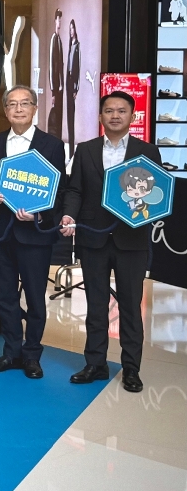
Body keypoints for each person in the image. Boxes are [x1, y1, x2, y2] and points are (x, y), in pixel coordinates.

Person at [60, 91, 163, 393]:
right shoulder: (86, 150)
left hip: (131, 239)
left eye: (121, 111)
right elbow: (75, 189)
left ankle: (131, 368)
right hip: (93, 236)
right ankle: (95, 363)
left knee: (131, 306)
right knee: (95, 305)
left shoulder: (148, 151)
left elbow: (156, 193)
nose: (115, 115)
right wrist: (68, 215)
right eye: (109, 110)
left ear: (132, 116)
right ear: (100, 116)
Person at [0, 85, 66, 379]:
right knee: (4, 295)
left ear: (34, 108)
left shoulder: (52, 145)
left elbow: (59, 190)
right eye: (12, 104)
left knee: (35, 297)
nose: (18, 109)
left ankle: (32, 355)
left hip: (35, 233)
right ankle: (11, 352)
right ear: (5, 111)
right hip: (2, 231)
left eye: (24, 103)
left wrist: (40, 213)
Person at [47, 9, 64, 140]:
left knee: (59, 116)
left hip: (60, 87)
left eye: (60, 20)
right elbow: (52, 65)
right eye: (58, 20)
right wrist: (53, 90)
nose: (60, 22)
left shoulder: (59, 39)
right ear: (55, 21)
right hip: (56, 87)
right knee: (55, 117)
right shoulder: (54, 39)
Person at [65, 19, 81, 156]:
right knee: (68, 115)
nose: (71, 31)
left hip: (73, 84)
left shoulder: (77, 46)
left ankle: (72, 152)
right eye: (69, 29)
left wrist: (76, 88)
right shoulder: (70, 45)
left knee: (72, 115)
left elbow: (78, 68)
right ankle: (70, 151)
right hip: (68, 82)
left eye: (72, 28)